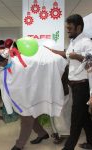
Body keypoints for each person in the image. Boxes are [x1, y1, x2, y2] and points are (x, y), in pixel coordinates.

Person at [0, 40, 67, 150]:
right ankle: (42, 133)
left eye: (0, 64)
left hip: (30, 94)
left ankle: (19, 145)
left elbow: (50, 63)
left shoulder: (24, 61)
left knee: (27, 118)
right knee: (30, 115)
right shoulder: (3, 64)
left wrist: (60, 56)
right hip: (20, 96)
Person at [45, 14, 92, 150]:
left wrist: (77, 56)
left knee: (76, 117)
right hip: (75, 86)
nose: (68, 31)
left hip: (83, 85)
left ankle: (68, 147)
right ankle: (90, 142)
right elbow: (65, 54)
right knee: (84, 118)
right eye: (67, 28)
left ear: (79, 27)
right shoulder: (74, 41)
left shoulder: (87, 43)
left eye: (70, 28)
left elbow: (91, 63)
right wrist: (50, 51)